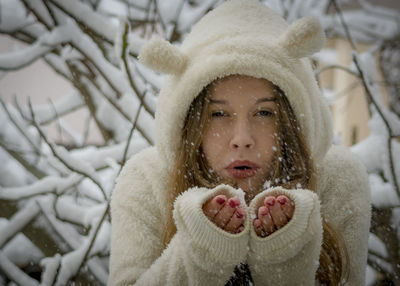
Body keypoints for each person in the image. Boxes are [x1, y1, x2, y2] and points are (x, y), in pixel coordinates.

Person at [108, 0, 371, 285]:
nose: (242, 140)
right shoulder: (147, 181)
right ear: (189, 123)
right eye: (219, 114)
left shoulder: (337, 179)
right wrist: (201, 251)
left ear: (292, 122)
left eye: (264, 112)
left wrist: (285, 256)